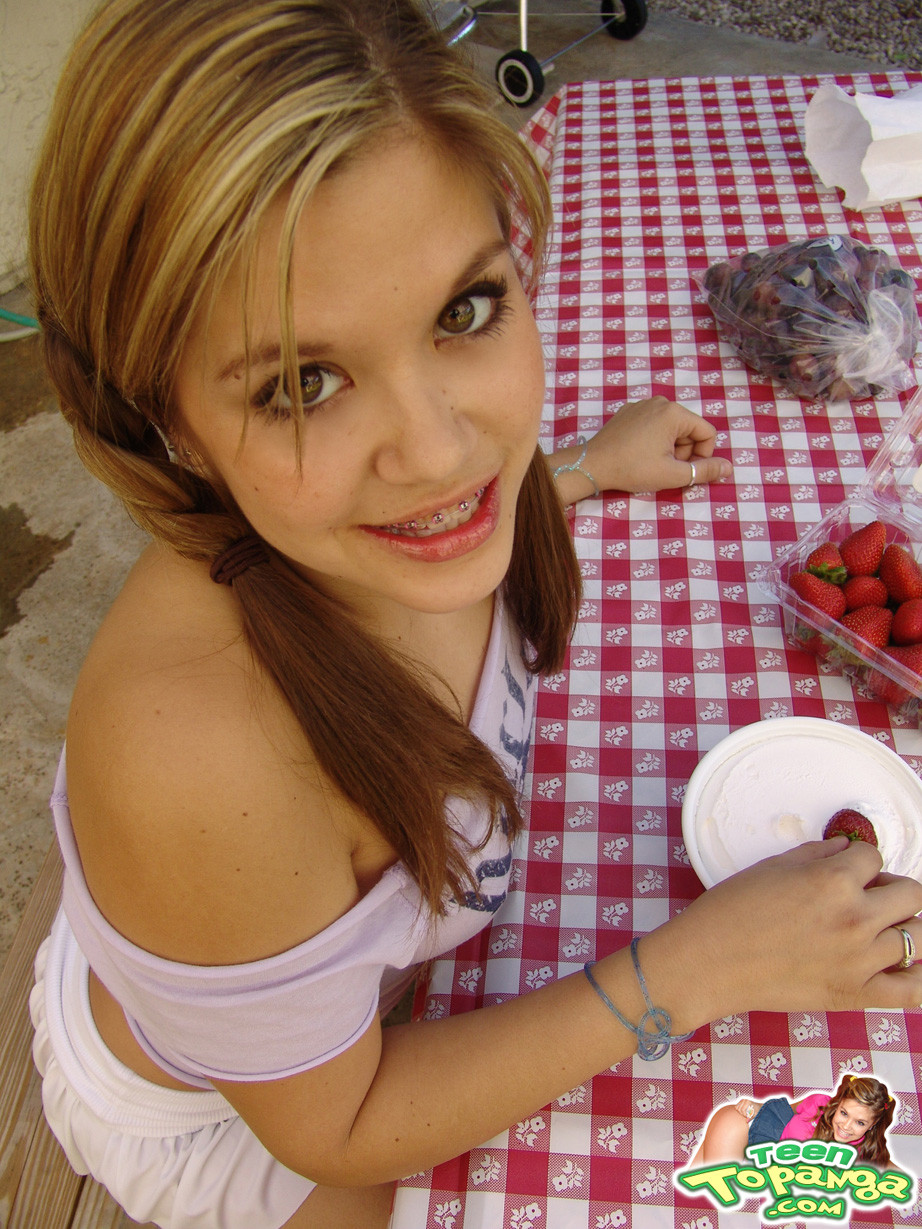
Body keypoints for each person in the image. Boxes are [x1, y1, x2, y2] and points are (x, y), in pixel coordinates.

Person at [25, 1, 922, 1227]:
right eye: (303, 381)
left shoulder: (416, 521)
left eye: (463, 312)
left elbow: (453, 478)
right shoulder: (204, 759)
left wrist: (583, 468)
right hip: (229, 1112)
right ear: (161, 418)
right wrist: (707, 964)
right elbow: (338, 1127)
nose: (443, 451)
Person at [691, 1074, 895, 1167]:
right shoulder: (820, 1105)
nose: (846, 1126)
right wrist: (754, 1106)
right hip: (744, 1125)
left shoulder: (866, 1149)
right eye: (844, 1113)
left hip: (754, 1151)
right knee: (707, 1194)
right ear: (838, 1103)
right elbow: (784, 1110)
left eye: (860, 1123)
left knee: (695, 1194)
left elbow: (891, 1170)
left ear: (873, 1124)